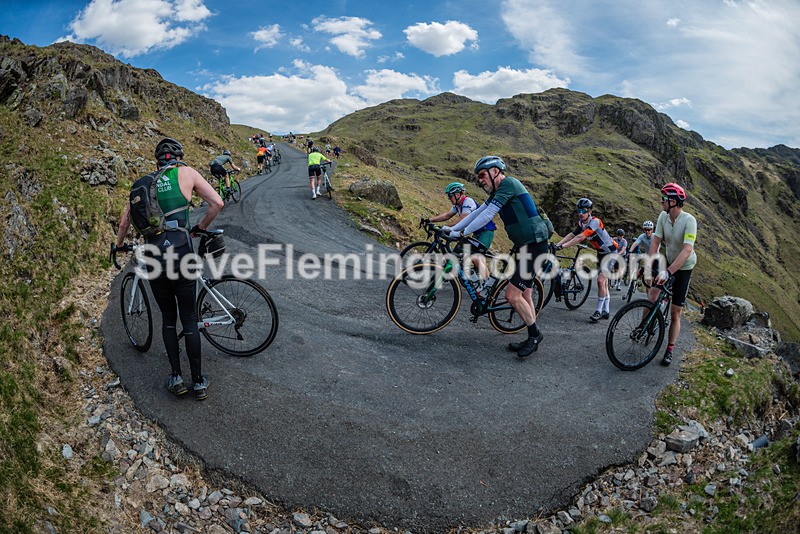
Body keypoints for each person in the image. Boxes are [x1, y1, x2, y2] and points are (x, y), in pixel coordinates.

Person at [115, 138, 224, 399]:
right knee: (189, 319)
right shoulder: (186, 173)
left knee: (167, 318)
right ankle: (198, 382)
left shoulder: (144, 184)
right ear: (178, 156)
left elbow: (124, 223)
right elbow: (217, 203)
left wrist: (119, 245)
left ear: (157, 159)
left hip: (154, 257)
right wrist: (200, 228)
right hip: (181, 251)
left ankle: (176, 377)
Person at [444, 156, 551, 358]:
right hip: (524, 245)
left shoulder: (508, 184)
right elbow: (479, 212)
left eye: (483, 175)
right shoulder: (498, 191)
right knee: (526, 294)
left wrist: (461, 233)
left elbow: (487, 216)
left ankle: (535, 336)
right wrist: (453, 229)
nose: (480, 180)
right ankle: (532, 334)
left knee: (512, 296)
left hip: (535, 245)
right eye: (478, 177)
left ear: (495, 172)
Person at [647, 183, 697, 366]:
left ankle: (669, 349)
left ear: (673, 201)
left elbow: (686, 251)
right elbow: (656, 242)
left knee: (675, 312)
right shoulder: (663, 216)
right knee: (653, 293)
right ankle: (644, 326)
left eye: (664, 199)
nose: (661, 201)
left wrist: (668, 272)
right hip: (668, 260)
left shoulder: (689, 221)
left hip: (684, 266)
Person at [556, 198, 619, 323]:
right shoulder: (581, 223)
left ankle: (598, 311)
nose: (581, 213)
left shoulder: (595, 222)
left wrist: (563, 247)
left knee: (601, 281)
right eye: (579, 210)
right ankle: (606, 310)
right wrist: (558, 244)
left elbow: (580, 238)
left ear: (589, 211)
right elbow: (572, 234)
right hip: (601, 253)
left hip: (611, 252)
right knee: (604, 283)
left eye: (584, 210)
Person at [430, 182, 496, 283]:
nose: (449, 198)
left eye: (450, 196)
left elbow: (462, 219)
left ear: (457, 195)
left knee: (476, 257)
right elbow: (447, 215)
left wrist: (446, 227)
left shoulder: (468, 202)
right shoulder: (457, 205)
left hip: (486, 231)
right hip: (476, 233)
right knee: (461, 252)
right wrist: (430, 220)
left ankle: (487, 285)